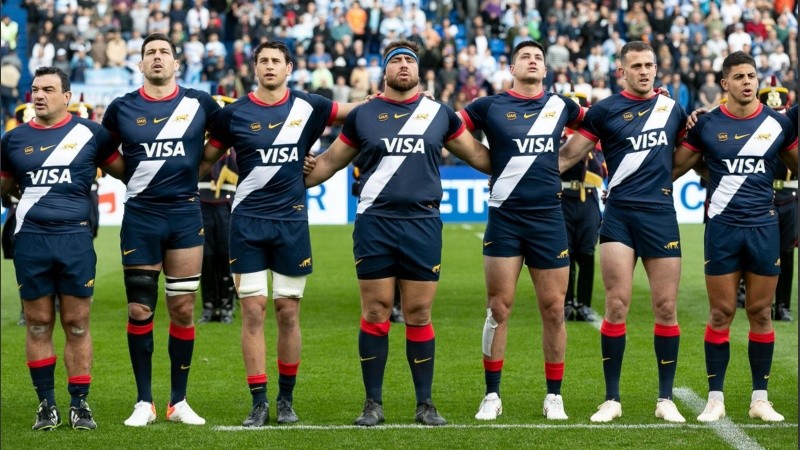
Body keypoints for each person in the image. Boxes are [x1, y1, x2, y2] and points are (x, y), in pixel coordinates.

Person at [304, 39, 491, 427]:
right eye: (396, 61)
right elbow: (329, 163)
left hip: (422, 224)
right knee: (375, 312)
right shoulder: (364, 115)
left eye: (409, 60)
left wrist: (526, 158)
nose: (403, 65)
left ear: (419, 70)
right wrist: (287, 171)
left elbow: (479, 156)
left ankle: (425, 403)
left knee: (419, 313)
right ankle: (372, 403)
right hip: (375, 223)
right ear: (384, 71)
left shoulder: (439, 114)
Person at [202, 40, 366, 427]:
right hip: (246, 222)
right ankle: (258, 402)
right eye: (263, 61)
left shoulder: (310, 106)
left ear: (289, 68)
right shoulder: (234, 114)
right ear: (254, 68)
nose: (270, 66)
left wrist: (391, 99)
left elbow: (354, 114)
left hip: (290, 222)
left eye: (277, 60)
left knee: (288, 312)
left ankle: (286, 400)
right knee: (253, 311)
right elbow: (205, 158)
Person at [558, 41, 688, 423]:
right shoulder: (604, 111)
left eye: (650, 65)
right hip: (618, 217)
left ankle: (665, 399)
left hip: (661, 214)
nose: (645, 71)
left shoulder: (672, 109)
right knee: (616, 306)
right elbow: (567, 156)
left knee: (666, 307)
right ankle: (611, 399)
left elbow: (689, 153)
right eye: (637, 66)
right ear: (622, 72)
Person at [457, 40, 584, 421]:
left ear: (546, 70)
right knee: (498, 308)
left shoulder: (561, 106)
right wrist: (485, 161)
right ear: (511, 68)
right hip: (505, 220)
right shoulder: (490, 106)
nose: (532, 61)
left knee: (554, 310)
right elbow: (446, 128)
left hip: (548, 219)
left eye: (539, 58)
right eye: (525, 57)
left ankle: (554, 396)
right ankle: (492, 395)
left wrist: (564, 159)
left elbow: (599, 124)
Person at [101, 33, 221, 427]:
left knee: (183, 308)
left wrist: (196, 171)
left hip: (185, 214)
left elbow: (224, 138)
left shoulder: (199, 103)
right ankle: (143, 402)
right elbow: (105, 153)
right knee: (139, 309)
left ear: (176, 63)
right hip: (141, 217)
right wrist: (135, 180)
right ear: (139, 64)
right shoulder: (121, 108)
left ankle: (178, 401)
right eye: (149, 53)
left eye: (163, 52)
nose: (157, 58)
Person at [672, 51, 798, 423]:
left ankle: (760, 399)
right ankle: (715, 398)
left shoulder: (777, 124)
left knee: (760, 312)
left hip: (764, 228)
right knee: (721, 313)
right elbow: (676, 167)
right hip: (722, 230)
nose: (748, 82)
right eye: (739, 76)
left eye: (752, 76)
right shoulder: (706, 125)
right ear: (724, 84)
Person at [0, 66, 123, 431]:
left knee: (77, 324)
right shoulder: (13, 139)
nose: (39, 95)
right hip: (31, 241)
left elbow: (126, 172)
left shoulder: (92, 135)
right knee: (38, 325)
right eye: (35, 89)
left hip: (75, 241)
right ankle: (46, 405)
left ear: (67, 97)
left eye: (48, 89)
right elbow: (3, 186)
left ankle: (79, 405)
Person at [558, 91, 606, 323]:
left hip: (588, 198)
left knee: (586, 253)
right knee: (565, 253)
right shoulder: (556, 138)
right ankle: (567, 303)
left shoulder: (595, 139)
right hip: (563, 197)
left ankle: (584, 304)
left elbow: (603, 169)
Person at [757, 83, 796, 322]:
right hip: (764, 195)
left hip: (790, 196)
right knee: (760, 251)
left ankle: (782, 304)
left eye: (782, 110)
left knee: (787, 253)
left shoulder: (792, 128)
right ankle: (759, 301)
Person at [198, 91, 238, 324]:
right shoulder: (201, 143)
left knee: (225, 258)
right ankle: (208, 306)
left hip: (226, 206)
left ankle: (226, 306)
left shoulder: (235, 145)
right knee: (206, 259)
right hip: (202, 205)